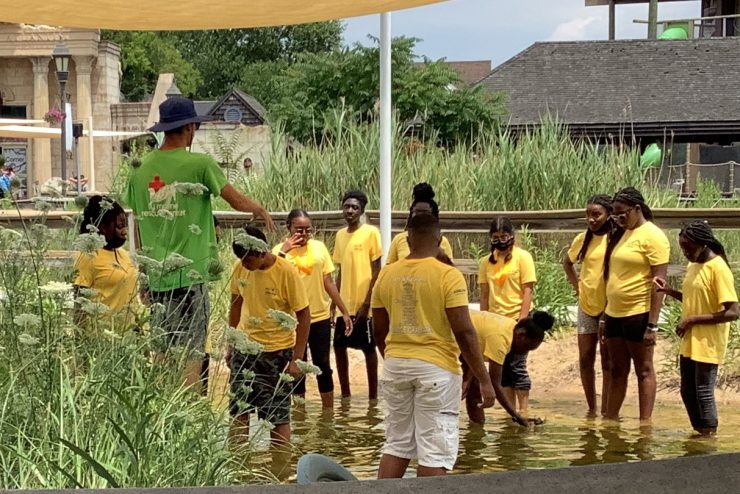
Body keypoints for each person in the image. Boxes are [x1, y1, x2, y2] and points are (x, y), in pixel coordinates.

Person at [124, 96, 275, 389]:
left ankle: (163, 412)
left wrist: (143, 274)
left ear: (164, 129)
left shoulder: (140, 171)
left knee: (163, 351)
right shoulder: (200, 164)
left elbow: (139, 224)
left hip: (156, 278)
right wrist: (258, 209)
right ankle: (189, 410)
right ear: (190, 128)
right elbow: (232, 197)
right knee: (192, 351)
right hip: (191, 275)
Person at [371, 213, 495, 478]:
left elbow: (379, 329)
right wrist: (484, 380)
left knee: (397, 443)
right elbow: (464, 331)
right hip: (436, 369)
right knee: (434, 450)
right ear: (440, 239)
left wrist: (394, 358)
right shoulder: (448, 275)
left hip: (395, 365)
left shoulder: (386, 274)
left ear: (407, 239)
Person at [227, 226, 310, 445]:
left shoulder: (286, 272)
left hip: (277, 354)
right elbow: (235, 304)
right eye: (241, 259)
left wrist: (297, 360)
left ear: (262, 252)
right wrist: (231, 342)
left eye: (248, 260)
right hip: (244, 351)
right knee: (238, 411)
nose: (244, 264)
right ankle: (236, 471)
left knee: (278, 415)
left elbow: (304, 314)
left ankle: (280, 471)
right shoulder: (240, 269)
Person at [654, 221, 739, 435]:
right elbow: (696, 299)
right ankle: (699, 432)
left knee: (703, 392)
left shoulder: (718, 268)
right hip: (690, 339)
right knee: (687, 391)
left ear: (703, 244)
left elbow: (733, 311)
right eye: (682, 248)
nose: (685, 253)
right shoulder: (694, 267)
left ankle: (710, 434)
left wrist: (692, 320)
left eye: (689, 248)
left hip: (708, 340)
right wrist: (670, 292)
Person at [273, 209, 353, 410]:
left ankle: (328, 414)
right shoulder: (278, 251)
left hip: (319, 317)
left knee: (322, 366)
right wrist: (284, 250)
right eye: (299, 230)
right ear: (289, 227)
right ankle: (299, 414)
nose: (303, 235)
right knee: (297, 365)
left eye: (308, 230)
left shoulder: (319, 248)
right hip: (291, 320)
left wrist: (343, 309)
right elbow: (273, 277)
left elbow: (328, 281)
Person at [603, 187, 669, 421]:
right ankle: (610, 420)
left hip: (638, 313)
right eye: (615, 215)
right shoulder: (622, 233)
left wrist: (652, 325)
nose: (619, 219)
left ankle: (645, 423)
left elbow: (659, 281)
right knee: (617, 369)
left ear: (637, 209)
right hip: (614, 313)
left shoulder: (653, 235)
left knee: (643, 369)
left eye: (623, 213)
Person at [478, 216, 537, 413]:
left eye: (504, 236)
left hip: (516, 319)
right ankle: (510, 410)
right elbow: (485, 294)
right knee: (502, 367)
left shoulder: (523, 257)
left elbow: (527, 290)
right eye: (495, 236)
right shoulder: (486, 262)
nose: (500, 240)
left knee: (518, 365)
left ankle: (524, 410)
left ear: (511, 236)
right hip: (495, 323)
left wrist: (522, 320)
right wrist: (483, 319)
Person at [563, 195, 614, 416]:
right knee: (585, 358)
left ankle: (607, 407)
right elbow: (567, 262)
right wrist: (578, 286)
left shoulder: (615, 238)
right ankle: (592, 407)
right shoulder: (582, 239)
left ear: (608, 214)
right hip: (586, 305)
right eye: (588, 214)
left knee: (607, 360)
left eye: (596, 214)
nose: (591, 219)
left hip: (609, 306)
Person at [332, 190, 382, 400]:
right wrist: (334, 303)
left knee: (369, 349)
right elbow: (341, 271)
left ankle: (373, 398)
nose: (350, 211)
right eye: (347, 206)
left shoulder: (371, 233)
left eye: (354, 207)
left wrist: (367, 303)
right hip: (344, 305)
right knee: (339, 346)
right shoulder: (340, 235)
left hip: (364, 305)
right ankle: (345, 395)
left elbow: (377, 269)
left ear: (362, 210)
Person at [465, 309, 553, 426]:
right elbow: (495, 383)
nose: (524, 352)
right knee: (468, 387)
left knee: (472, 386)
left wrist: (468, 378)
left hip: (463, 340)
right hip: (448, 335)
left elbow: (475, 348)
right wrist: (517, 416)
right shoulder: (500, 339)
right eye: (526, 347)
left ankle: (476, 429)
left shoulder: (510, 326)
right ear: (521, 335)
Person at [73, 196, 139, 328]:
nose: (124, 231)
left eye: (125, 226)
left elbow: (133, 301)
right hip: (102, 340)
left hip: (128, 339)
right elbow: (80, 308)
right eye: (119, 226)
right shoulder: (87, 256)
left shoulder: (124, 255)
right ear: (102, 227)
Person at [386, 183, 453, 264]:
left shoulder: (443, 242)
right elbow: (389, 269)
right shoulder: (399, 239)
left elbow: (449, 269)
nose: (421, 215)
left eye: (425, 212)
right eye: (417, 212)